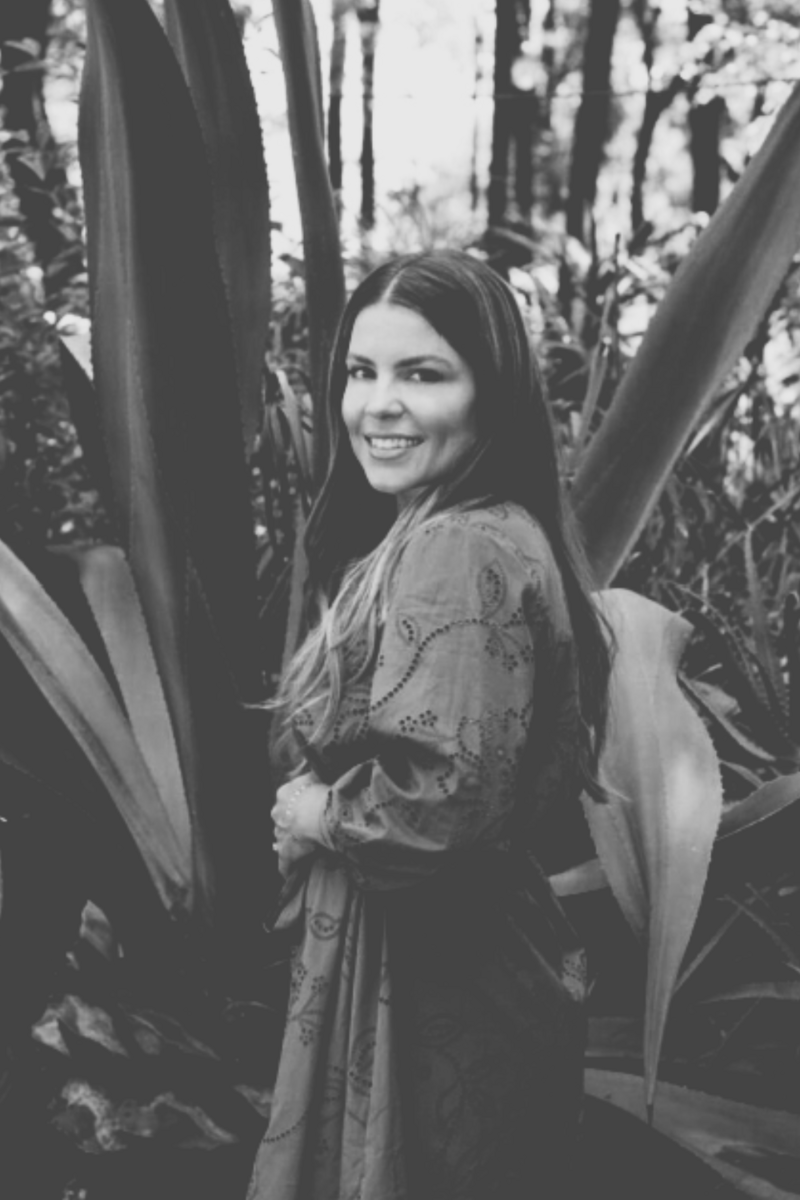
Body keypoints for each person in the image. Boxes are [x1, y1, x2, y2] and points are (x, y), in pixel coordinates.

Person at [246, 249, 612, 1200]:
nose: (377, 405)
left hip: (430, 977)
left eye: (422, 374)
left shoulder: (457, 547)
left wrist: (316, 814)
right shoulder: (469, 527)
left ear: (490, 394)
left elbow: (445, 798)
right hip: (453, 965)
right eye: (361, 373)